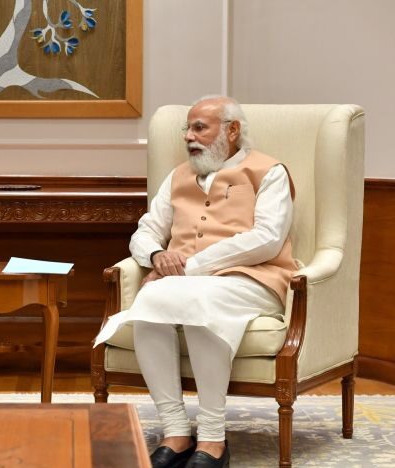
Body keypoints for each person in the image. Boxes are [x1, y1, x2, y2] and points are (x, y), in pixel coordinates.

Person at [94, 96, 296, 468]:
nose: (189, 136)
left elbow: (266, 238)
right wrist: (157, 257)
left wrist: (190, 267)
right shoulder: (178, 176)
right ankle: (175, 432)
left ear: (232, 130)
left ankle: (213, 440)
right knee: (151, 301)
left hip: (253, 280)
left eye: (199, 127)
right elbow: (145, 232)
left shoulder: (269, 172)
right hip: (182, 284)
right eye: (187, 128)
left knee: (194, 301)